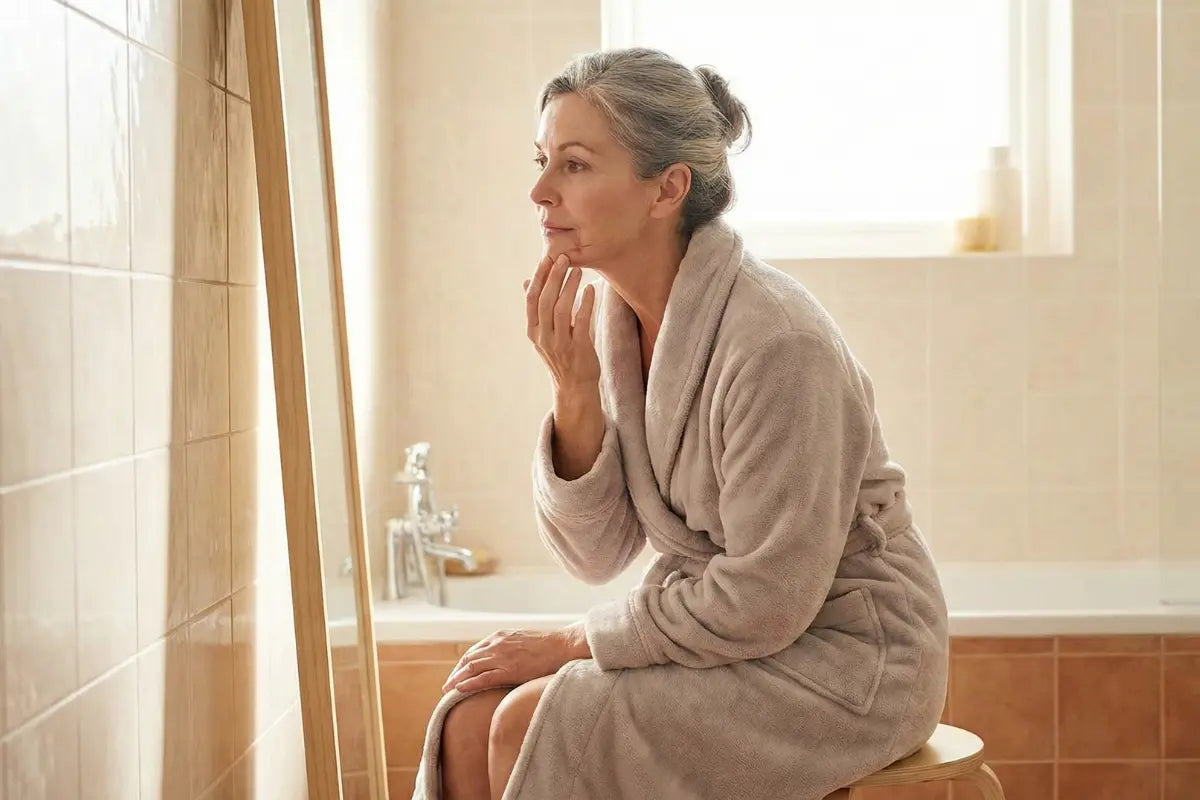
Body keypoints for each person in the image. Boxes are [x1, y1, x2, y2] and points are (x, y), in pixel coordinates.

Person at [412, 47, 949, 800]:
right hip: (736, 638)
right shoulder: (619, 323)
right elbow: (597, 555)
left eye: (573, 165)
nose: (538, 192)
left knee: (531, 719)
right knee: (472, 716)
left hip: (844, 658)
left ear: (667, 189)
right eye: (541, 160)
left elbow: (770, 598)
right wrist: (574, 390)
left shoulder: (777, 342)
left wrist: (572, 642)